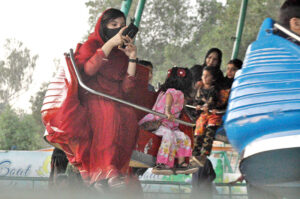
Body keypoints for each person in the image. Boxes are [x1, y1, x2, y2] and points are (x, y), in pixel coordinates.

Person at [73, 8, 140, 190]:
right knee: (109, 113)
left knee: (128, 115)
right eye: (113, 25)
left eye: (121, 25)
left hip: (116, 99)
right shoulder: (91, 45)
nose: (119, 28)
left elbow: (126, 88)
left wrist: (132, 58)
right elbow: (88, 71)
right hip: (93, 97)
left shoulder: (121, 54)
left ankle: (112, 170)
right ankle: (107, 169)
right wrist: (110, 43)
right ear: (104, 27)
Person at [139, 67, 197, 175]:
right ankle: (161, 164)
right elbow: (169, 98)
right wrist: (167, 111)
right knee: (169, 135)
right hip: (157, 122)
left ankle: (181, 163)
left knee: (184, 138)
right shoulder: (172, 91)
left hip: (168, 125)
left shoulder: (180, 95)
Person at [192, 67, 223, 167]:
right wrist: (198, 106)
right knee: (198, 132)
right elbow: (197, 101)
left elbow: (213, 101)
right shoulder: (200, 89)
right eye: (203, 75)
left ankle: (204, 155)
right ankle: (195, 154)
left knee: (209, 133)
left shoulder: (214, 90)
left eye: (207, 76)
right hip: (203, 114)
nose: (204, 77)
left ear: (213, 79)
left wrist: (207, 106)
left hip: (213, 114)